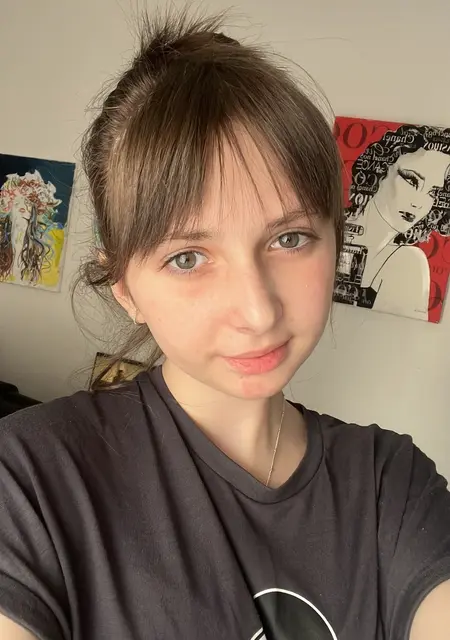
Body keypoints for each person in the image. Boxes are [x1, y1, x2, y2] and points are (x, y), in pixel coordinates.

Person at [0, 11, 449, 640]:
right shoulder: (29, 481)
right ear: (126, 288)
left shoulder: (389, 484)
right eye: (188, 258)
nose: (258, 312)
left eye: (290, 239)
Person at [335, 125, 450, 319]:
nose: (418, 203)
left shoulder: (408, 261)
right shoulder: (328, 231)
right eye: (411, 180)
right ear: (380, 169)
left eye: (432, 192)